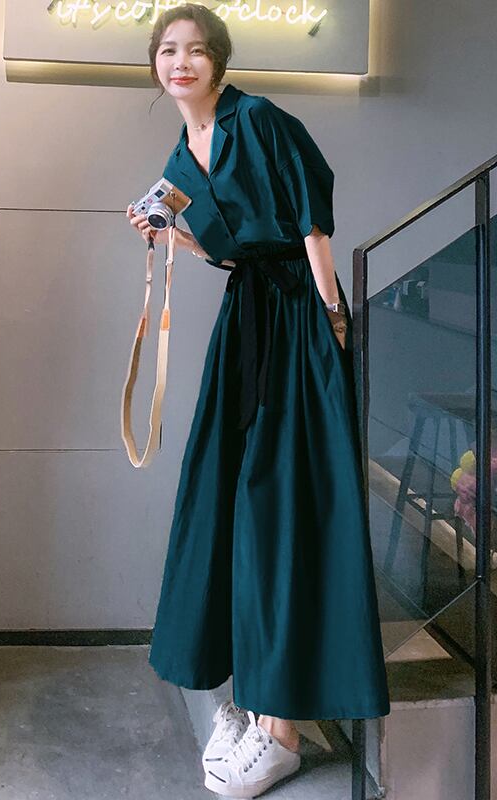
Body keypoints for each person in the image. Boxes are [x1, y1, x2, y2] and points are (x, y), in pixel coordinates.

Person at [126, 5, 390, 797]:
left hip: (298, 313)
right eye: (168, 51)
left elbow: (310, 220)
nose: (181, 62)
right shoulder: (182, 154)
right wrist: (168, 235)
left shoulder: (258, 119)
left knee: (283, 500)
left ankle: (282, 729)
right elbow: (224, 249)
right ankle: (251, 699)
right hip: (248, 315)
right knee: (231, 494)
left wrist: (332, 316)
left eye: (196, 50)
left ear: (220, 60)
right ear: (155, 64)